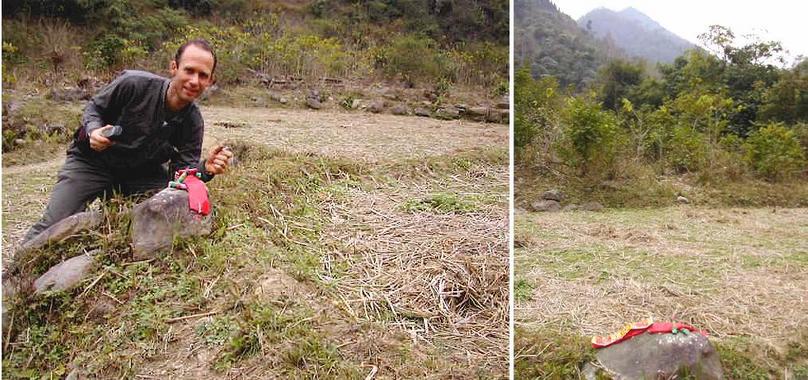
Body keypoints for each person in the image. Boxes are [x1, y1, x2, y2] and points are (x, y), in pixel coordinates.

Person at [23, 39, 233, 242]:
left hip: (139, 175)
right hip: (92, 162)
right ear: (174, 67)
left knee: (171, 209)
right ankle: (11, 275)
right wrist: (93, 131)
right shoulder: (133, 83)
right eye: (189, 70)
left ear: (210, 81)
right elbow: (95, 107)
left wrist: (205, 168)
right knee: (53, 226)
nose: (194, 81)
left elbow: (180, 176)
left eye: (203, 75)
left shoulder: (193, 122)